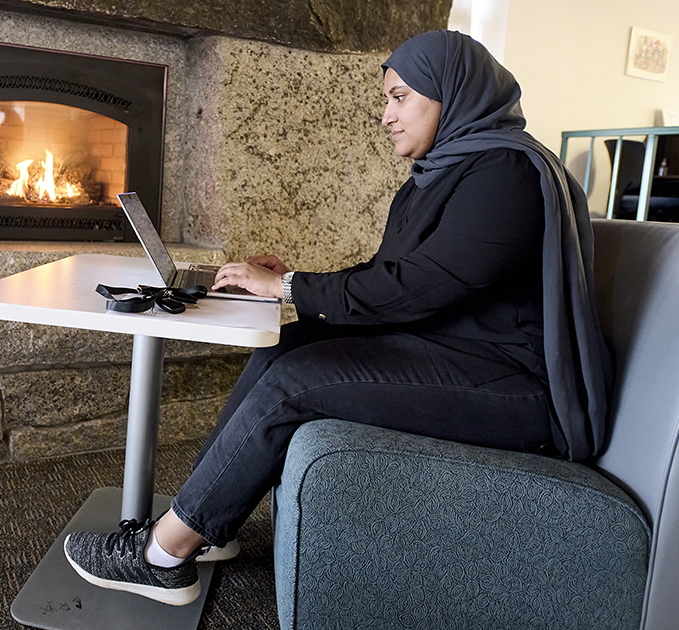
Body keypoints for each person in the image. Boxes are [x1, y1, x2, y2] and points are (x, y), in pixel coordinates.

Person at [63, 30, 611, 607]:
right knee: (286, 345)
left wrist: (292, 285)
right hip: (456, 352)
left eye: (400, 98)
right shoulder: (444, 173)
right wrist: (290, 279)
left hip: (518, 389)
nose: (385, 117)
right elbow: (395, 274)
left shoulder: (505, 174)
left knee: (299, 381)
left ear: (453, 93)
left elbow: (420, 288)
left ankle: (162, 557)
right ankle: (203, 525)